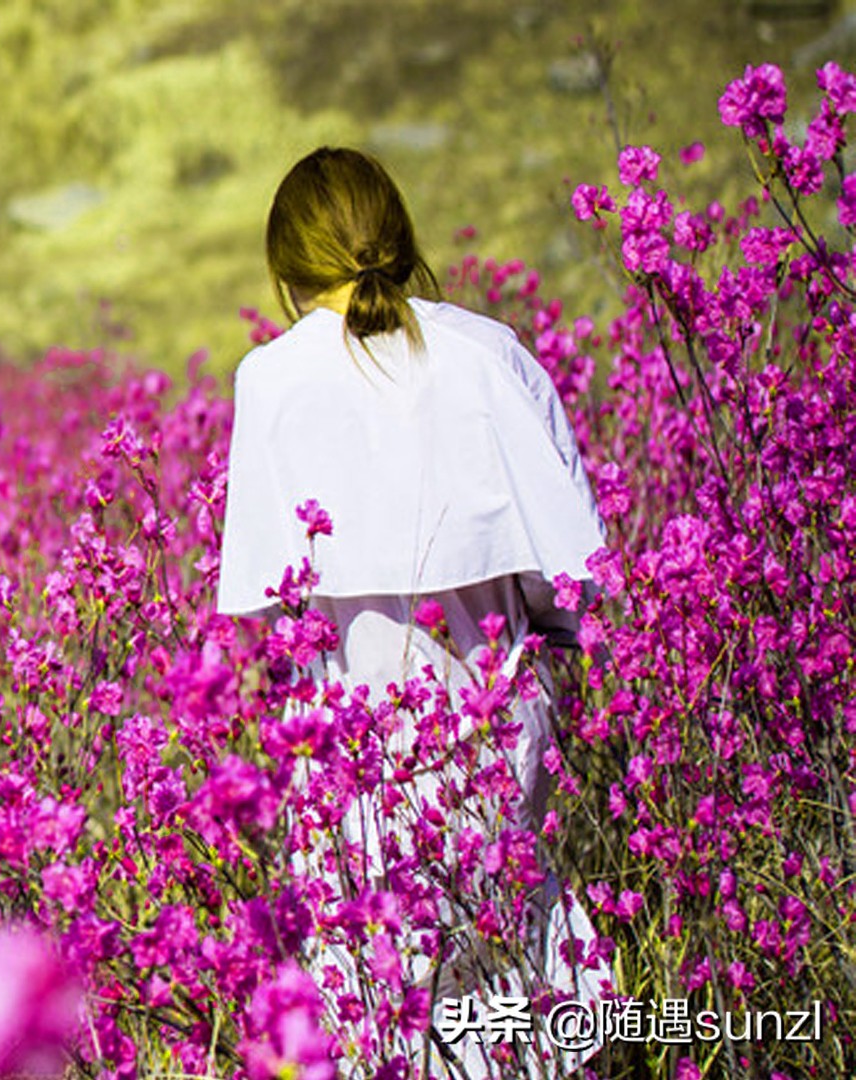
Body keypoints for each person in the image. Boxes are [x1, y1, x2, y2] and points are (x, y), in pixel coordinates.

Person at [215, 147, 612, 1078]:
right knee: (509, 958)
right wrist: (551, 659)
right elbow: (570, 567)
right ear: (402, 242)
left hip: (358, 737)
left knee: (380, 994)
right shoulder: (488, 350)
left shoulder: (271, 380)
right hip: (500, 714)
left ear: (284, 276)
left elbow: (272, 605)